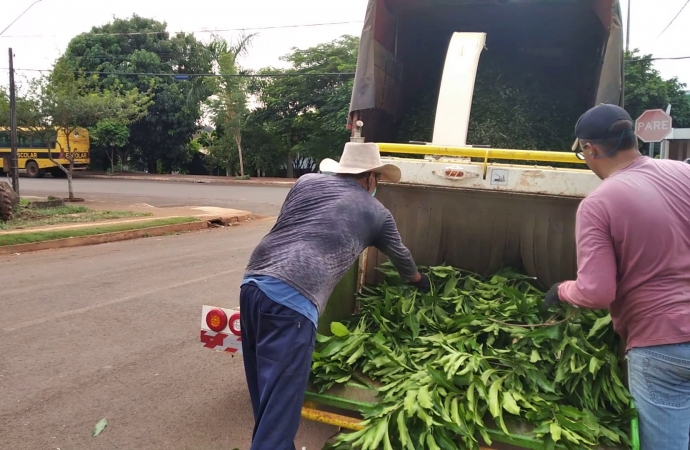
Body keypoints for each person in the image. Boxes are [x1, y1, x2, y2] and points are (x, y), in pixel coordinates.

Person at [238, 142, 430, 450]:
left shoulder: (306, 182)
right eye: (376, 179)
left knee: (266, 395)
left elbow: (294, 225)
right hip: (293, 302)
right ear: (370, 177)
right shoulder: (377, 213)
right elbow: (402, 257)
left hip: (253, 282)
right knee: (280, 411)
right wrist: (419, 280)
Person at [544, 104, 690, 450]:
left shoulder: (600, 202)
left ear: (590, 149)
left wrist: (562, 291)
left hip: (662, 345)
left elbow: (596, 293)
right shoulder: (683, 174)